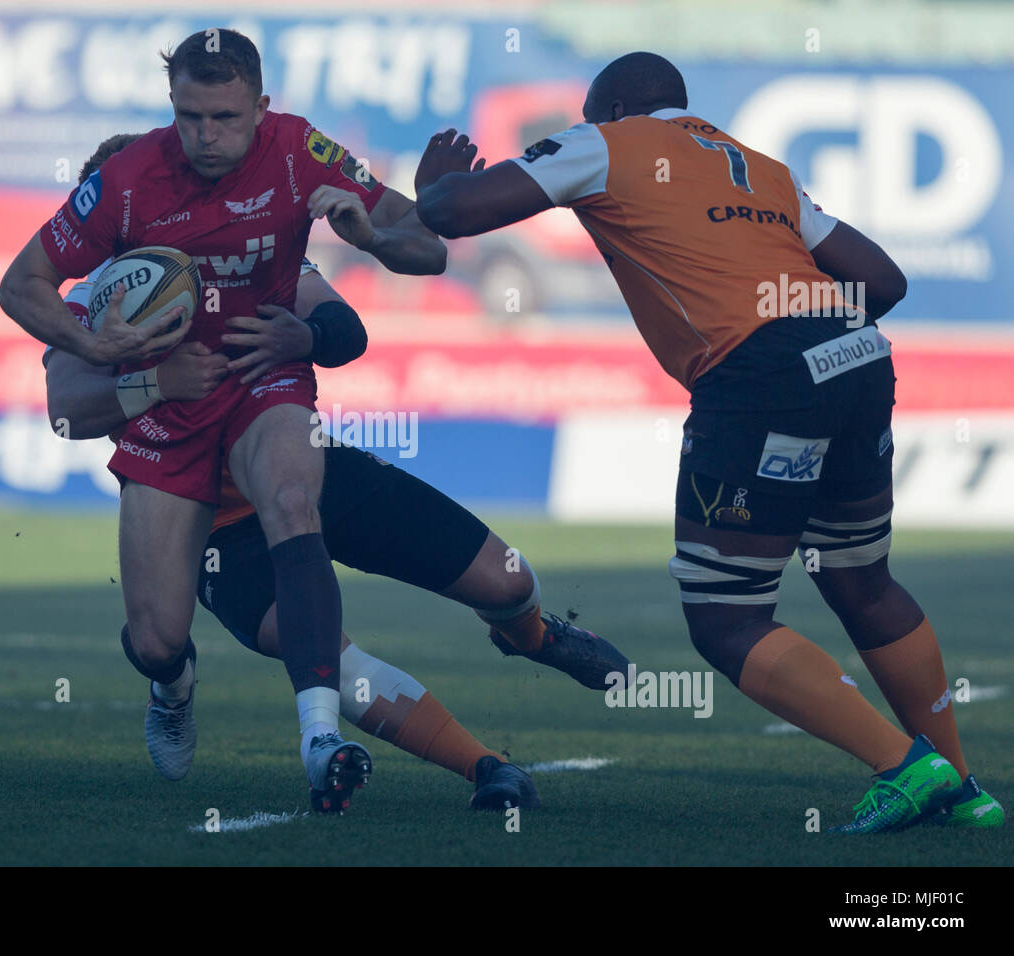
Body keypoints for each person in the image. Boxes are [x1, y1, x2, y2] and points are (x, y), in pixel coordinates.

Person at [411, 51, 1002, 832]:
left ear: (615, 106)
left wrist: (431, 186)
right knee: (864, 582)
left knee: (727, 618)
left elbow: (456, 213)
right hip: (856, 355)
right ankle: (962, 785)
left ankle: (906, 766)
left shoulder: (605, 142)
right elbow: (884, 283)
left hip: (760, 373)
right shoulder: (759, 168)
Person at [44, 136, 630, 811]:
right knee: (188, 644)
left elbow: (343, 328)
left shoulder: (240, 256)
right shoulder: (94, 295)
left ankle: (538, 636)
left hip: (306, 470)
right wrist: (155, 381)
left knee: (509, 580)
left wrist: (308, 336)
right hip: (211, 523)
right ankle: (486, 768)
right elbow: (67, 410)